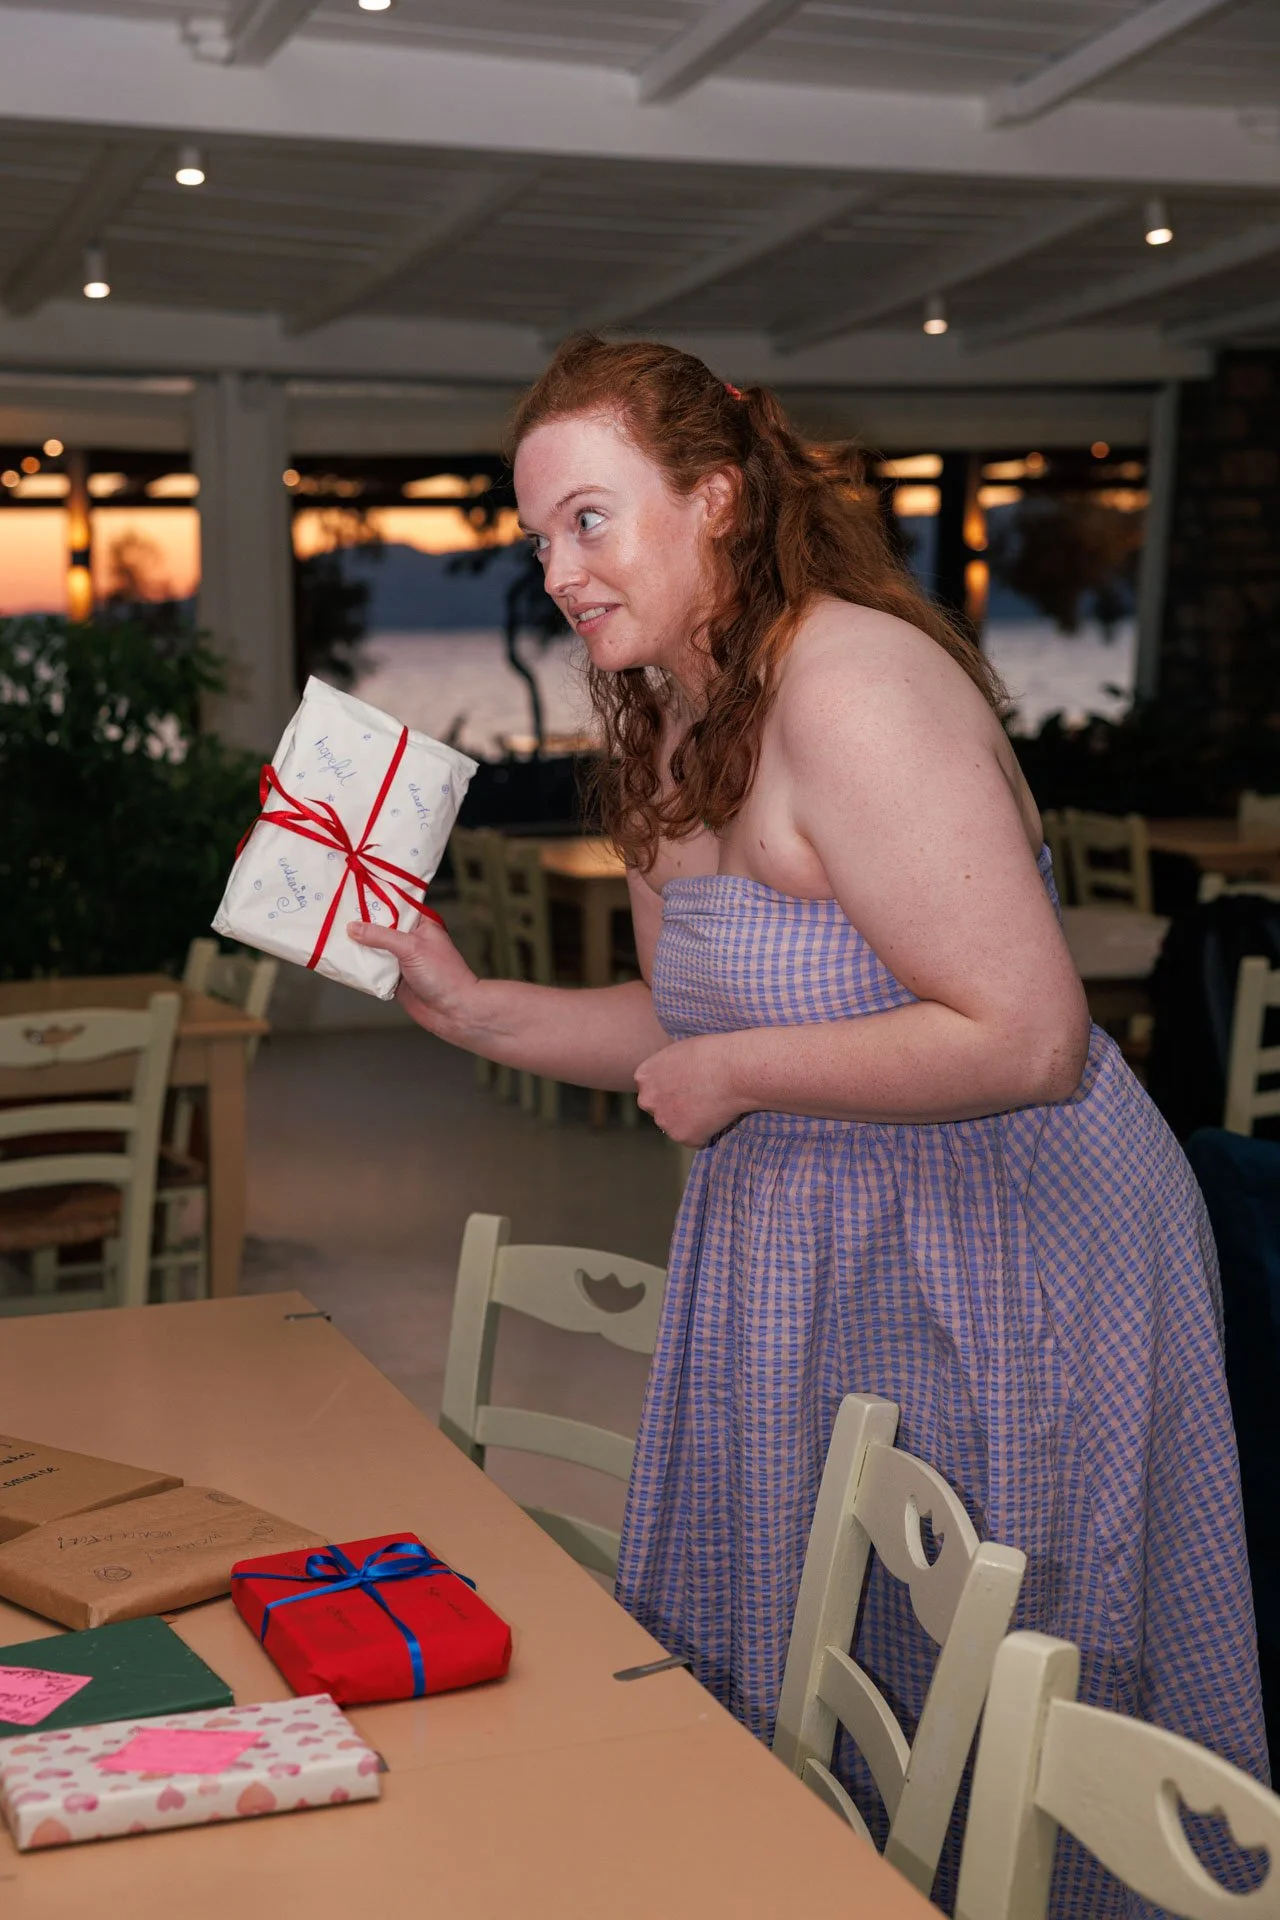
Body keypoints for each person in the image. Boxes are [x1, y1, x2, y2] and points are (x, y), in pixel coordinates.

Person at [352, 335, 1268, 1912]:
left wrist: (748, 1078)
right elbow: (687, 1030)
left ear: (714, 499)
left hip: (1010, 1242)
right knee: (839, 1655)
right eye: (534, 540)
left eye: (588, 520)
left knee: (998, 1683)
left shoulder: (853, 681)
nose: (556, 572)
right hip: (814, 1243)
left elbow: (1032, 1036)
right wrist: (471, 1007)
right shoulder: (660, 716)